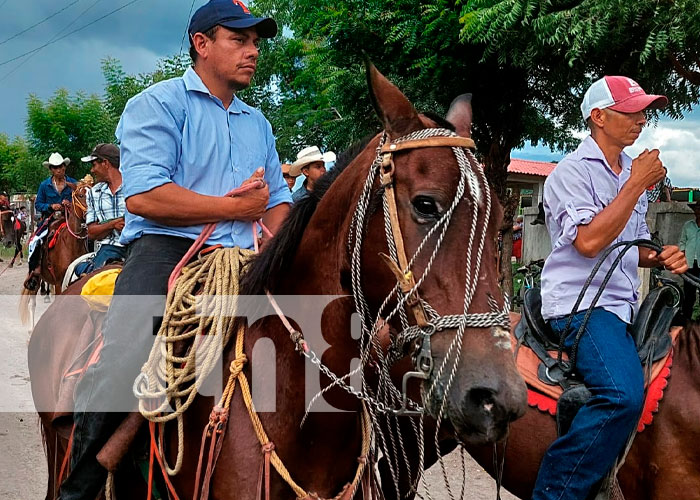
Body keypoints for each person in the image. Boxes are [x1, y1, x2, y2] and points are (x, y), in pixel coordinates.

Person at [58, 2, 290, 499]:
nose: (253, 52)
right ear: (201, 44)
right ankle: (78, 488)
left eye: (256, 43)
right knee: (124, 358)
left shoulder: (258, 124)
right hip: (167, 253)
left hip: (249, 259)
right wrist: (234, 208)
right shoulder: (158, 105)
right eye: (240, 40)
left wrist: (265, 230)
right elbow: (144, 196)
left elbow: (279, 204)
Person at [536, 76, 688, 500]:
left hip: (622, 304)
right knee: (622, 393)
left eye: (644, 111)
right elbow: (588, 242)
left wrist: (661, 256)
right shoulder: (569, 173)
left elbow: (629, 244)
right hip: (580, 305)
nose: (641, 119)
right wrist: (637, 183)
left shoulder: (628, 171)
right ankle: (557, 491)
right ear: (598, 117)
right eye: (631, 111)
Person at [25, 153, 77, 289]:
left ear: (64, 167)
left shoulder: (74, 184)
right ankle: (34, 271)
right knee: (35, 240)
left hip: (68, 219)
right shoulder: (44, 185)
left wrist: (70, 204)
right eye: (55, 167)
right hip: (50, 220)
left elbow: (80, 201)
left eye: (61, 166)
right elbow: (38, 204)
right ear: (51, 170)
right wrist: (50, 206)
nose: (59, 169)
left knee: (85, 237)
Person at [75, 144, 128, 275]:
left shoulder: (135, 186)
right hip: (111, 247)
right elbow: (92, 232)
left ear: (105, 163)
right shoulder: (94, 193)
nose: (92, 170)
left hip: (138, 245)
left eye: (94, 165)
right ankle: (35, 270)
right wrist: (113, 224)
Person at [679, 201, 700, 320]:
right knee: (689, 295)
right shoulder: (688, 226)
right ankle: (686, 320)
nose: (698, 211)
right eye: (697, 208)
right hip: (690, 264)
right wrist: (682, 259)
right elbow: (682, 243)